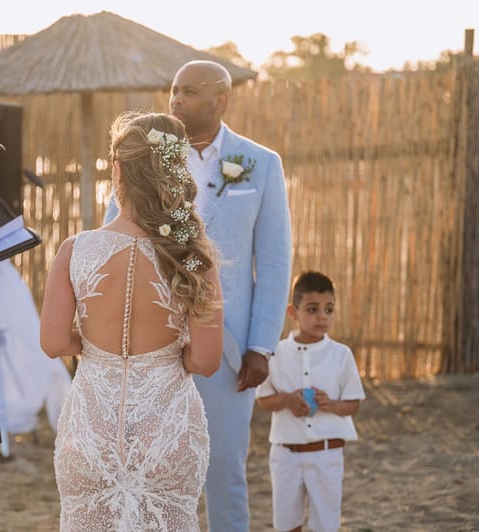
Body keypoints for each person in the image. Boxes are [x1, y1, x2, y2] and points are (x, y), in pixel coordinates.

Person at [105, 60, 292, 530]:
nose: (175, 100)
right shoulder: (144, 159)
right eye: (173, 91)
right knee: (153, 465)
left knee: (225, 468)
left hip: (229, 349)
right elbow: (113, 239)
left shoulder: (261, 164)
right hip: (153, 341)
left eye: (188, 92)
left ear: (221, 100)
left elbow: (271, 263)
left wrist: (261, 346)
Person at [41, 112, 224, 530]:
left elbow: (52, 342)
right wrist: (168, 348)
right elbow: (206, 361)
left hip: (91, 428)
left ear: (118, 170)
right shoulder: (192, 257)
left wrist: (88, 343)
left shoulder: (76, 249)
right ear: (176, 172)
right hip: (166, 432)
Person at [256, 271, 365, 532]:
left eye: (329, 309)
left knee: (326, 524)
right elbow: (263, 400)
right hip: (285, 455)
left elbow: (354, 403)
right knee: (286, 524)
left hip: (327, 454)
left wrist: (331, 405)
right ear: (293, 311)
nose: (322, 316)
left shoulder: (341, 355)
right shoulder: (276, 353)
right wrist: (287, 400)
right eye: (313, 309)